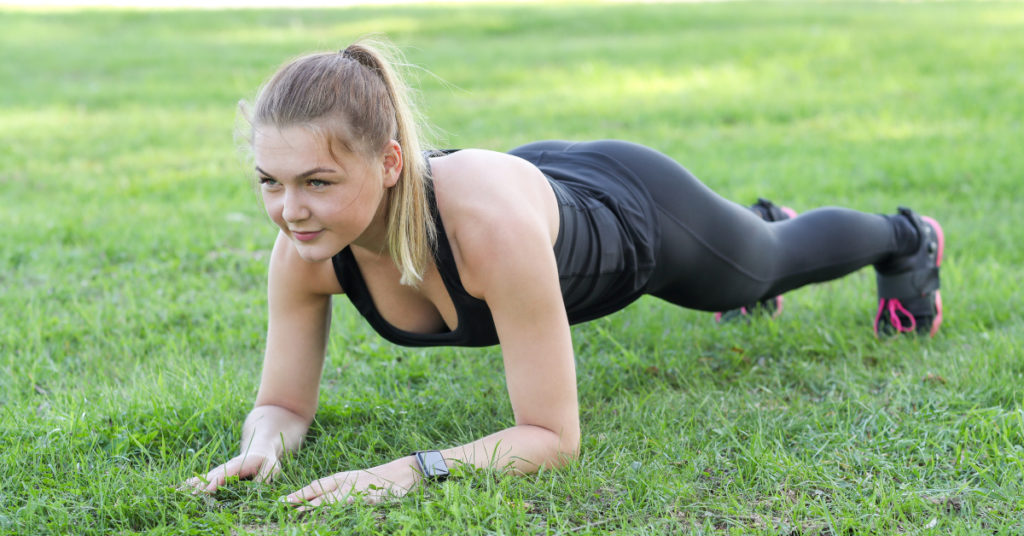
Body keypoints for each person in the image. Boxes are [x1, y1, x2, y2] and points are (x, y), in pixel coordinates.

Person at [185, 39, 944, 508]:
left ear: (388, 164)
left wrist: (406, 471)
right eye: (269, 182)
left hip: (633, 209)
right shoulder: (306, 251)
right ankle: (761, 225)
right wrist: (263, 446)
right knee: (755, 255)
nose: (289, 210)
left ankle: (907, 239)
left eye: (317, 181)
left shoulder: (484, 234)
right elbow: (283, 402)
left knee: (763, 267)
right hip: (532, 183)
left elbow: (551, 436)